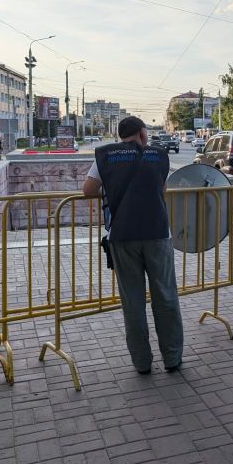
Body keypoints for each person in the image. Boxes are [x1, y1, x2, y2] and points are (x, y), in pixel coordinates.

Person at [82, 116, 183, 375]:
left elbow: (88, 190)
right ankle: (172, 357)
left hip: (123, 235)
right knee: (166, 296)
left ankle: (142, 363)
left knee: (133, 301)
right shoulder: (158, 155)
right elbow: (163, 192)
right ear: (141, 133)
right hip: (157, 233)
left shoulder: (105, 156)